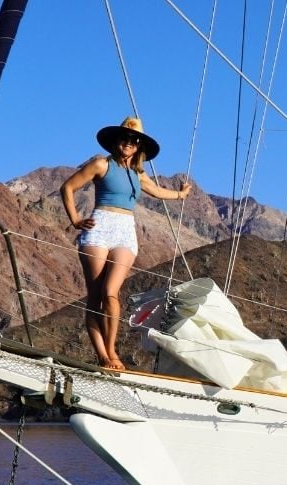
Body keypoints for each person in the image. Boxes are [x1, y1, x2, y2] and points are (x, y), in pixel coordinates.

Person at [61, 116, 191, 371]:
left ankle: (111, 351)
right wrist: (75, 219)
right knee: (95, 297)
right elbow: (67, 187)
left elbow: (158, 192)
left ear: (139, 145)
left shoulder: (138, 174)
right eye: (125, 137)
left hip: (125, 231)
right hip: (99, 227)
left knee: (111, 292)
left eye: (134, 139)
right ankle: (103, 356)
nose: (129, 142)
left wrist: (181, 194)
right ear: (116, 141)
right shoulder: (101, 165)